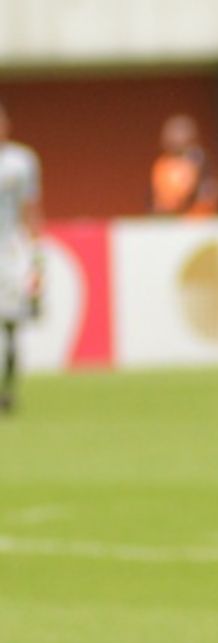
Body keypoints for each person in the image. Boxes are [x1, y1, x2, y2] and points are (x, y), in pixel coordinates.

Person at [0, 100, 41, 415]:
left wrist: (34, 250)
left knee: (11, 320)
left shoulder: (21, 161)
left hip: (11, 248)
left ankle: (7, 388)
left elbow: (31, 207)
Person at [151, 113, 218, 216]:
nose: (173, 136)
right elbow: (159, 198)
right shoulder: (163, 163)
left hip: (196, 218)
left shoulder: (198, 160)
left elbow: (207, 192)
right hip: (169, 218)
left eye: (179, 131)